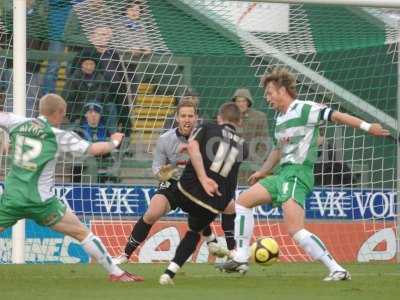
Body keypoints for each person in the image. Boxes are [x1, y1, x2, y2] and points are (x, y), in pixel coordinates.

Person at [217, 68, 389, 281]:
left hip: (298, 174)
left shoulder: (305, 108)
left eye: (270, 92)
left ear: (282, 90)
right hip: (282, 174)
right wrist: (263, 171)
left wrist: (368, 126)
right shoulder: (280, 119)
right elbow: (278, 150)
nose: (267, 98)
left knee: (295, 229)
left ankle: (337, 269)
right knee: (243, 202)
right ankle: (241, 257)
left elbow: (336, 116)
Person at [0, 94, 143, 282]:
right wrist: (114, 141)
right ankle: (116, 273)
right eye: (63, 114)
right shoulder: (59, 136)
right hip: (43, 204)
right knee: (82, 233)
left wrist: (6, 141)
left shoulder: (17, 122)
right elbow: (94, 149)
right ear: (59, 112)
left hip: (12, 199)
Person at [113, 100, 235, 265]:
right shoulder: (165, 139)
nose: (187, 119)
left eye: (190, 116)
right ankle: (125, 255)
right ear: (177, 118)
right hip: (174, 184)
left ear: (196, 118)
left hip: (199, 184)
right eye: (183, 115)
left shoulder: (209, 137)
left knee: (229, 204)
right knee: (153, 211)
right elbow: (156, 168)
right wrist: (165, 171)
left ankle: (234, 253)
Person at [159, 102, 248, 285]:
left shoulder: (207, 127)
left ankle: (214, 242)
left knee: (169, 194)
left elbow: (193, 148)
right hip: (214, 201)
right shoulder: (244, 147)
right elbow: (229, 171)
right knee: (194, 231)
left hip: (188, 189)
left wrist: (203, 176)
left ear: (219, 118)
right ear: (239, 122)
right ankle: (169, 273)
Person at [231, 88, 269, 184]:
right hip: (233, 164)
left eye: (243, 101)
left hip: (253, 164)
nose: (241, 104)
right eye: (238, 101)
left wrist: (257, 161)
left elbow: (264, 143)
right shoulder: (229, 118)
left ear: (248, 102)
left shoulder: (259, 117)